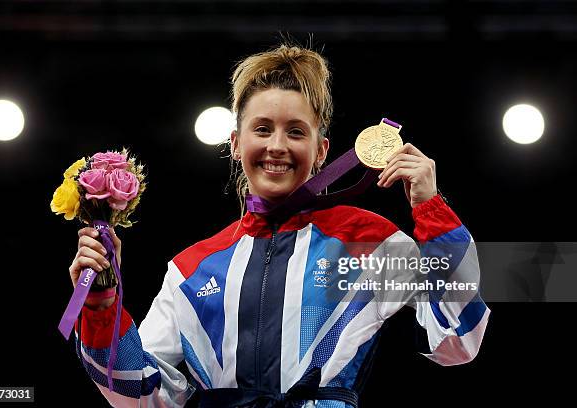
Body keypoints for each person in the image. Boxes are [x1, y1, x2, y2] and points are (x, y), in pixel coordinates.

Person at [69, 43, 490, 408]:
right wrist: (102, 304)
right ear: (236, 143)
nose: (277, 146)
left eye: (295, 132)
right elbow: (141, 395)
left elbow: (459, 338)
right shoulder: (192, 268)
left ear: (321, 150)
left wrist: (431, 210)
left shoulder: (366, 242)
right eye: (263, 129)